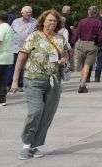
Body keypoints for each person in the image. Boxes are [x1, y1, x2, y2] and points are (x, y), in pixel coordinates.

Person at [10, 9, 71, 159]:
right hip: (33, 79)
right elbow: (21, 59)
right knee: (35, 112)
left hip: (53, 81)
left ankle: (35, 146)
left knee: (47, 114)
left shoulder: (60, 38)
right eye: (49, 20)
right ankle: (26, 144)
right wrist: (15, 80)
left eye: (55, 21)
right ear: (43, 21)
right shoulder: (33, 37)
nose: (52, 23)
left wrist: (64, 60)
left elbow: (66, 55)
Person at [72, 6, 102, 93]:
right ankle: (82, 85)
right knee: (87, 65)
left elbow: (76, 33)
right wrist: (98, 43)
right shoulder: (98, 22)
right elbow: (101, 36)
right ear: (96, 13)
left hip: (81, 44)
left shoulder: (82, 21)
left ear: (88, 12)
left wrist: (72, 43)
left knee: (83, 66)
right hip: (92, 44)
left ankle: (82, 82)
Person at [9, 6, 37, 91]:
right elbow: (10, 32)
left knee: (25, 66)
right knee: (13, 66)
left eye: (30, 12)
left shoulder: (34, 22)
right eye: (27, 12)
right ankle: (10, 84)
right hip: (15, 47)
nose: (29, 14)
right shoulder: (15, 21)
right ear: (22, 13)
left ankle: (21, 84)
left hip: (28, 48)